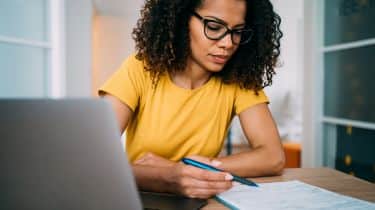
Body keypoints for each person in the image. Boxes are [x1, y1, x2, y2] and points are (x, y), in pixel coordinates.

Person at [99, 0, 285, 199]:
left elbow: (272, 157)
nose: (228, 43)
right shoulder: (139, 69)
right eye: (214, 27)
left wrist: (180, 169)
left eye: (237, 31)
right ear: (181, 20)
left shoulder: (239, 78)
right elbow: (94, 160)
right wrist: (167, 178)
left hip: (201, 201)